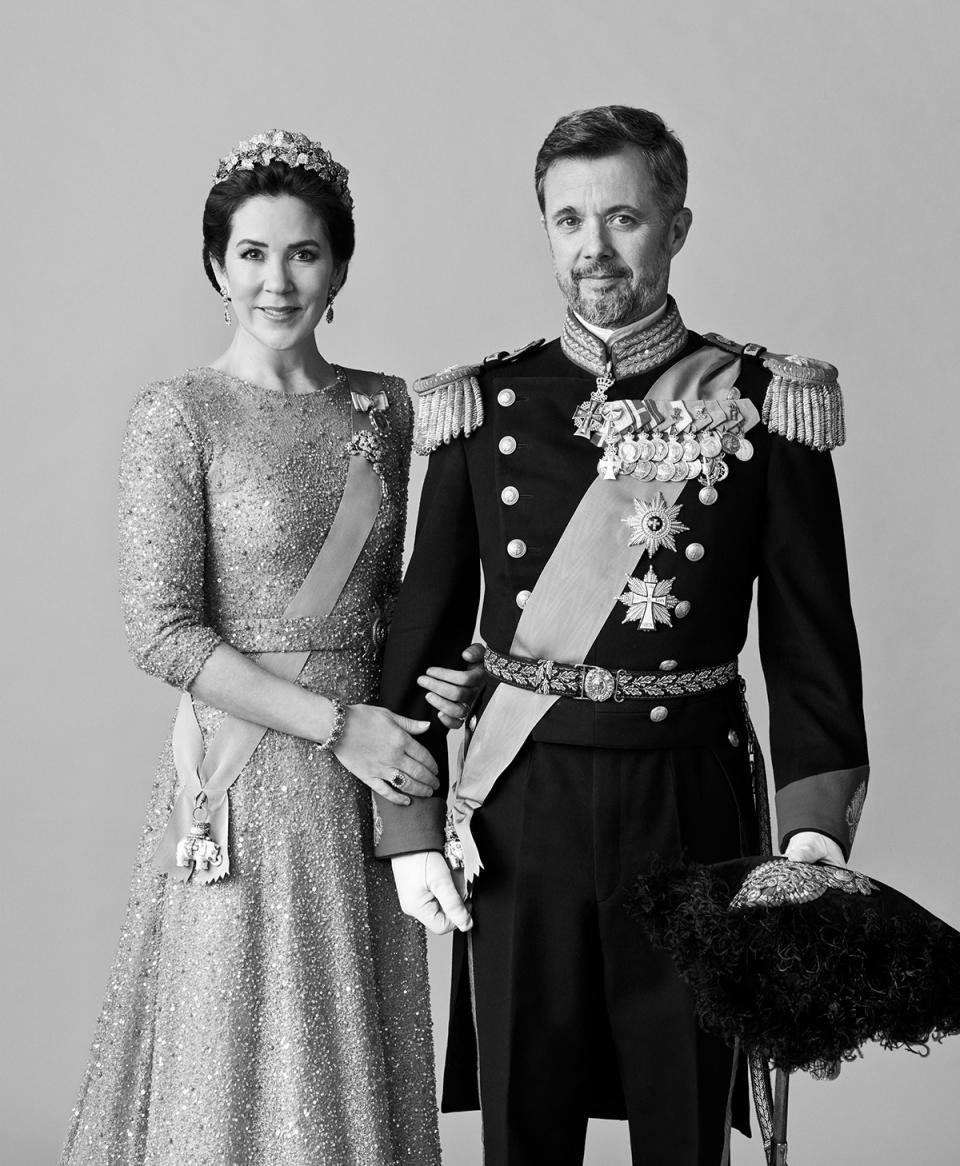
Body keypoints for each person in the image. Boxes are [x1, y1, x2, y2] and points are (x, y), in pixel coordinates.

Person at [376, 106, 869, 1166]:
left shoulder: (761, 400)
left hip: (690, 798)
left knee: (685, 1108)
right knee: (525, 1111)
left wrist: (814, 825)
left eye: (623, 218)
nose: (592, 248)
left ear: (677, 225)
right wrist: (410, 823)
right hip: (520, 800)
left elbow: (809, 639)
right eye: (567, 221)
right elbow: (423, 625)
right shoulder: (486, 401)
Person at [60, 129, 478, 1166]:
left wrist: (452, 670)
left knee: (353, 1041)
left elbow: (392, 598)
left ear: (339, 266)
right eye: (251, 253)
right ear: (215, 265)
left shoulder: (386, 406)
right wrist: (340, 726)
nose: (276, 279)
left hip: (367, 775)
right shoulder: (178, 415)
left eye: (303, 253)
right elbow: (161, 630)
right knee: (235, 1047)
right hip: (249, 775)